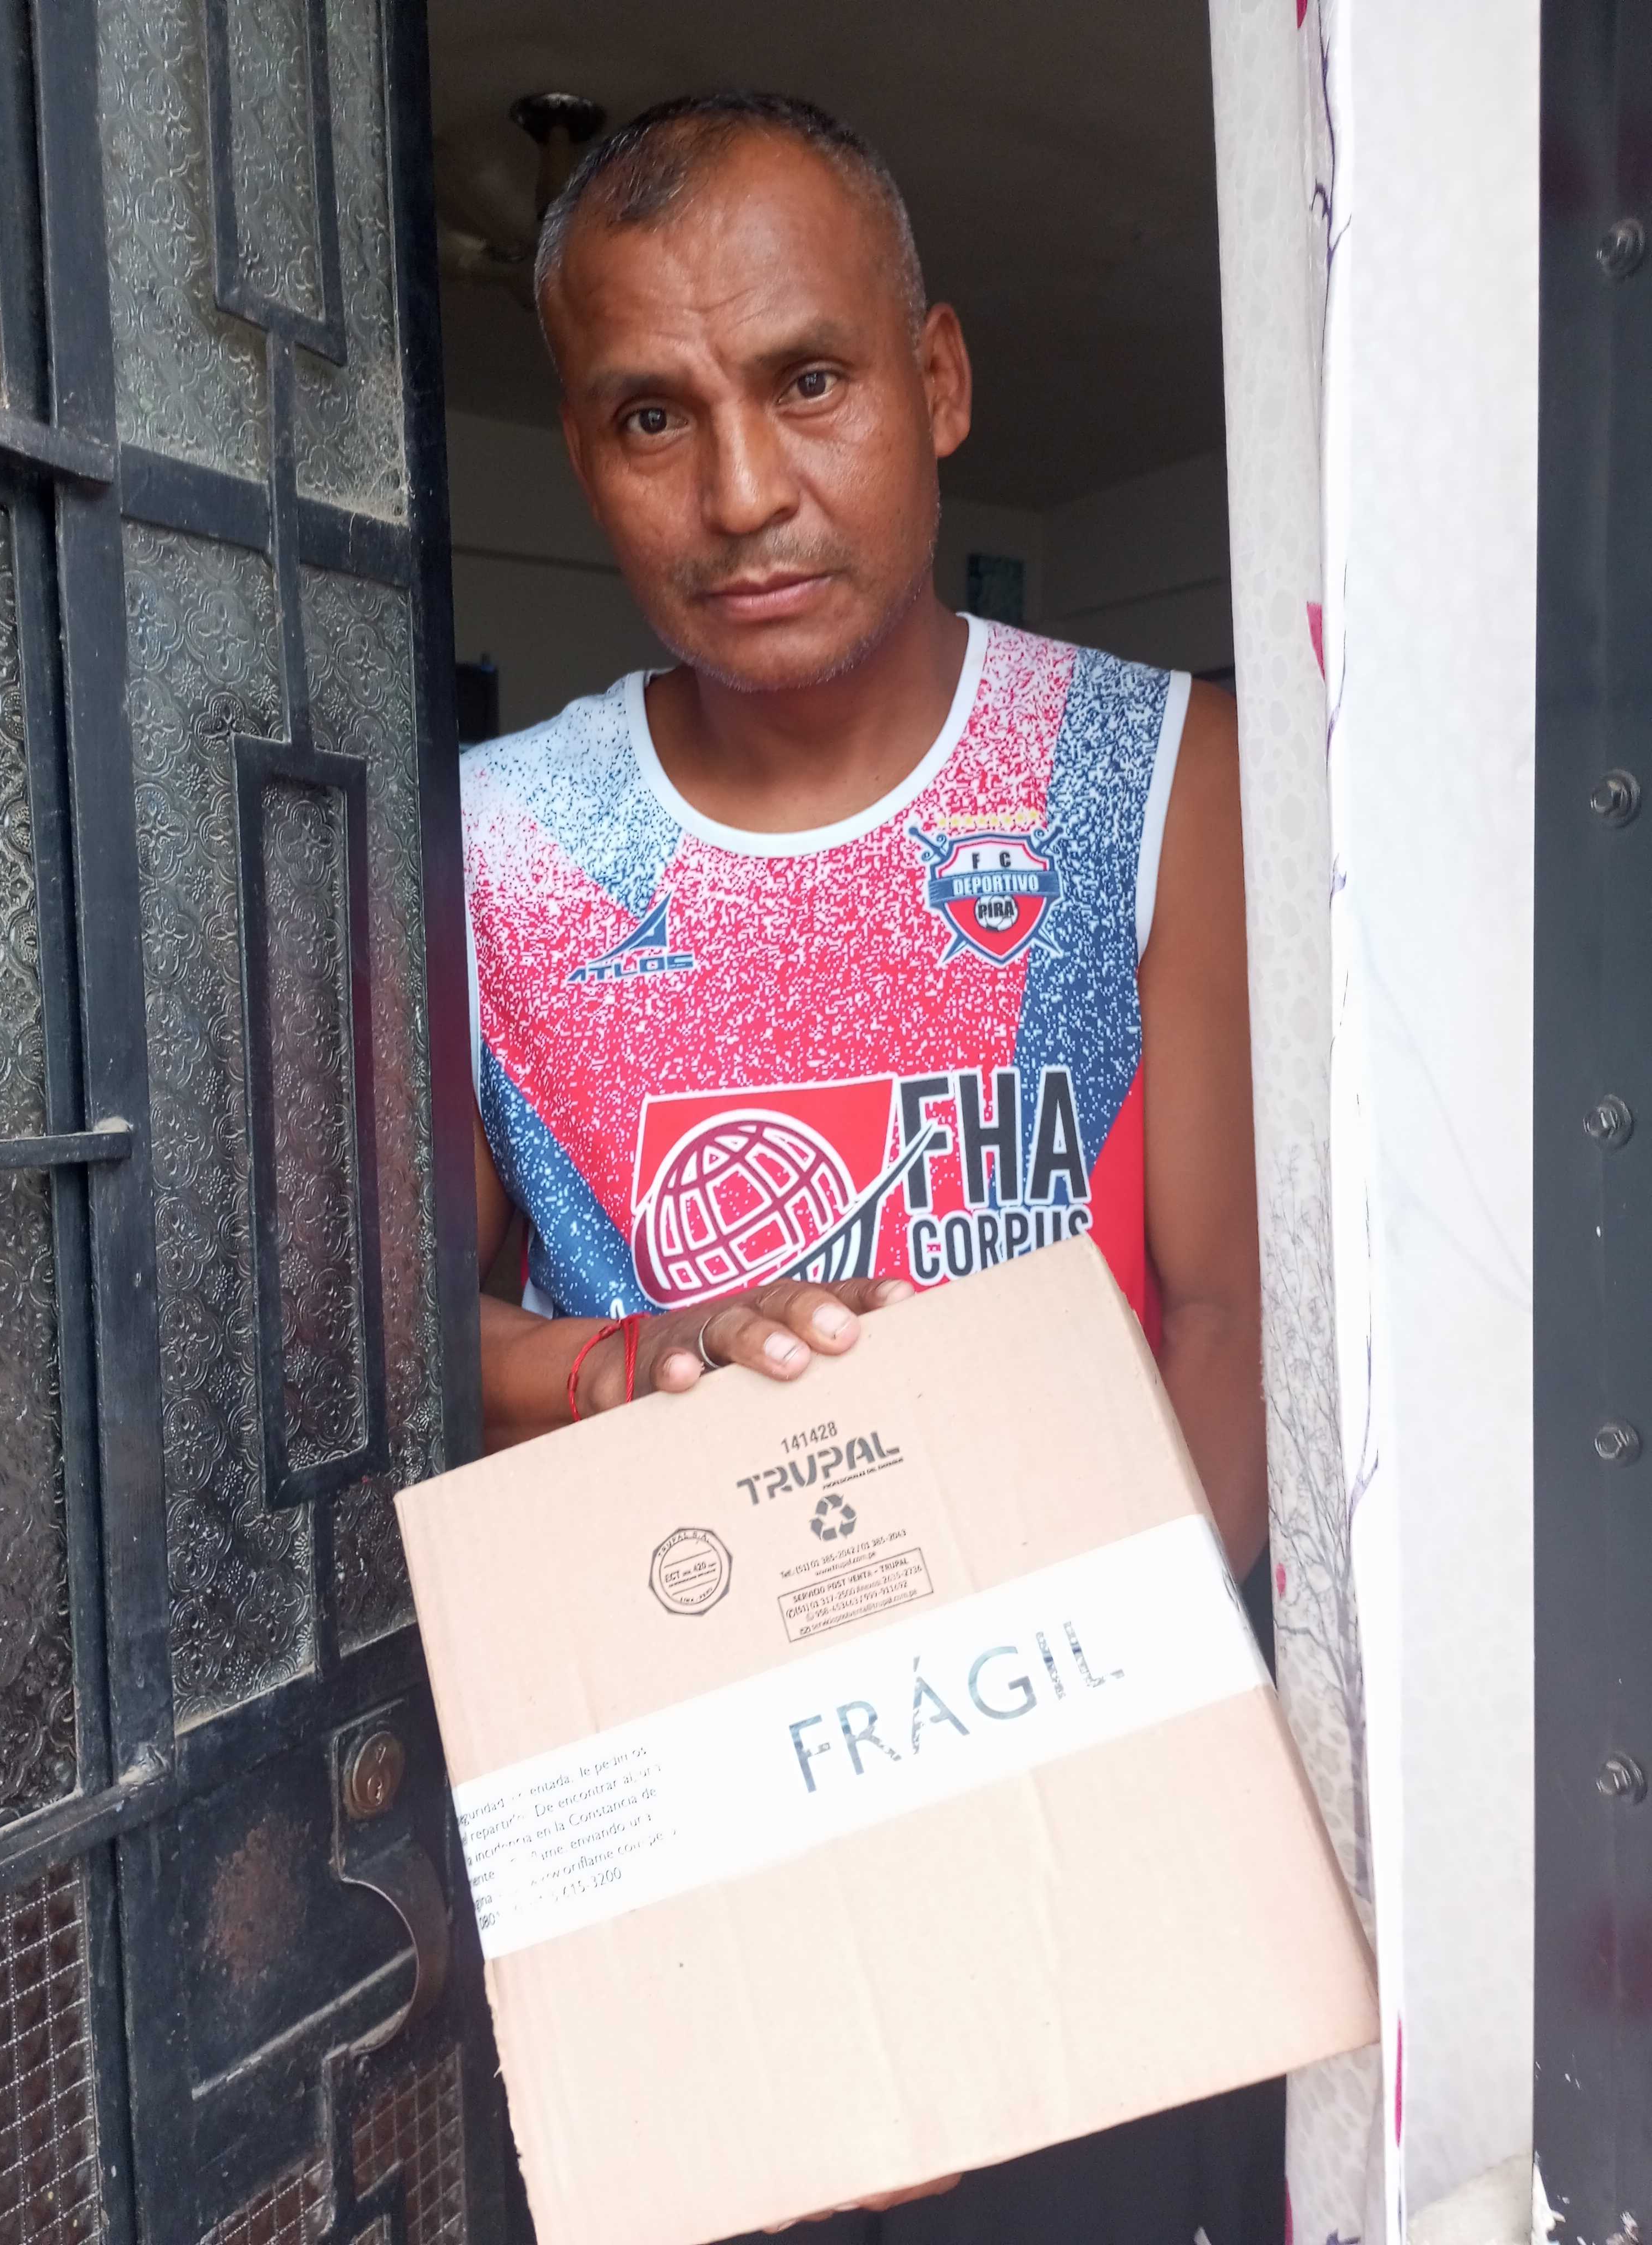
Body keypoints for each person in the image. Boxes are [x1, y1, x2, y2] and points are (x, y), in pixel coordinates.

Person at [462, 91, 1278, 2245]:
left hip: (1089, 1823)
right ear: (584, 452)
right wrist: (640, 1359)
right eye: (653, 417)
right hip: (685, 1846)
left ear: (937, 380)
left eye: (808, 380)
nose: (743, 492)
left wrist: (1007, 1797)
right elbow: (389, 1357)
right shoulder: (493, 852)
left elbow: (1232, 1323)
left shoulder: (1149, 774)